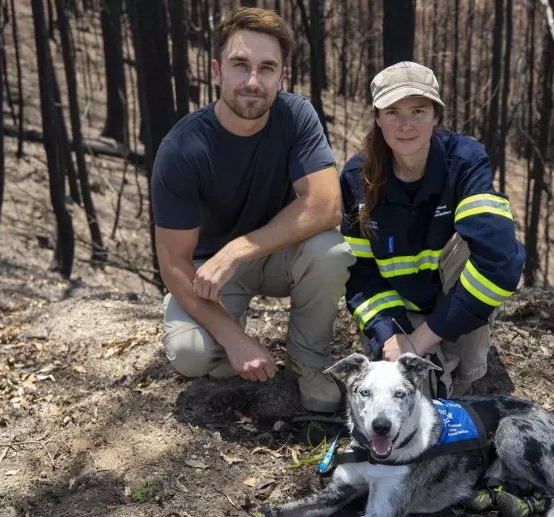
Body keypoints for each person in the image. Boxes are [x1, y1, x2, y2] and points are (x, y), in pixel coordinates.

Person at [151, 7, 355, 413]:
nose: (252, 81)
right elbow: (173, 262)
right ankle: (231, 341)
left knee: (331, 251)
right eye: (240, 65)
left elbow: (327, 206)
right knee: (191, 355)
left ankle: (308, 361)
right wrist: (233, 337)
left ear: (282, 76)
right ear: (216, 71)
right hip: (213, 273)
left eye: (266, 68)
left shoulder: (296, 117)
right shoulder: (183, 149)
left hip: (280, 255)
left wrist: (239, 249)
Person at [339, 61, 526, 398]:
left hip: (450, 304)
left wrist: (422, 339)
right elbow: (360, 275)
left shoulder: (466, 162)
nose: (406, 124)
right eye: (392, 111)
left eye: (418, 110)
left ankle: (461, 361)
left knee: (459, 389)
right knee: (415, 393)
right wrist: (390, 335)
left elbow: (501, 264)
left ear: (436, 116)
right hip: (396, 309)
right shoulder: (357, 178)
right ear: (377, 118)